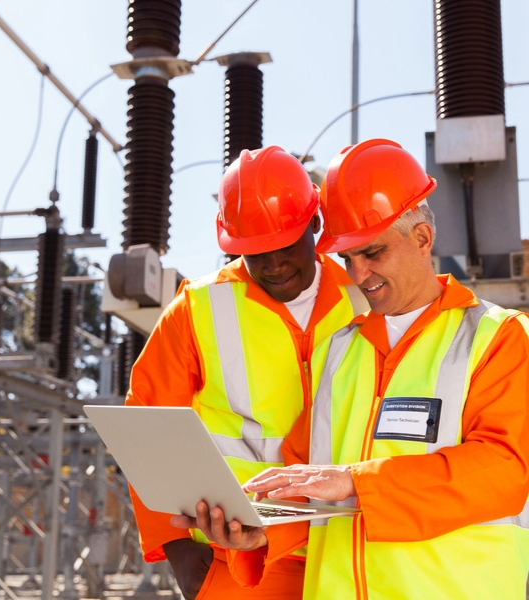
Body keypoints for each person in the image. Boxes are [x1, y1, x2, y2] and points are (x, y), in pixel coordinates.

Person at [171, 138, 529, 600]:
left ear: (422, 238)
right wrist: (262, 534)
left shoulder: (501, 337)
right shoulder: (341, 350)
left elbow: (506, 470)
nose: (358, 274)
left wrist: (356, 482)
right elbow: (302, 477)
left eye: (372, 252)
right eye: (346, 258)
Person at [125, 145, 367, 600]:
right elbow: (146, 425)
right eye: (255, 253)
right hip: (236, 555)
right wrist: (176, 548)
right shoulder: (197, 309)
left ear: (315, 224)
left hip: (345, 545)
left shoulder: (365, 300)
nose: (274, 265)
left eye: (286, 246)